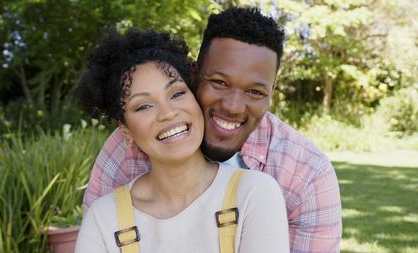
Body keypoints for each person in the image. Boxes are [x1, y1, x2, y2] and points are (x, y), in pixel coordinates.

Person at [83, 7, 342, 253]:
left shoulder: (305, 175)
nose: (233, 107)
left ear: (271, 94)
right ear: (193, 75)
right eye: (219, 82)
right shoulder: (123, 152)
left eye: (255, 91)